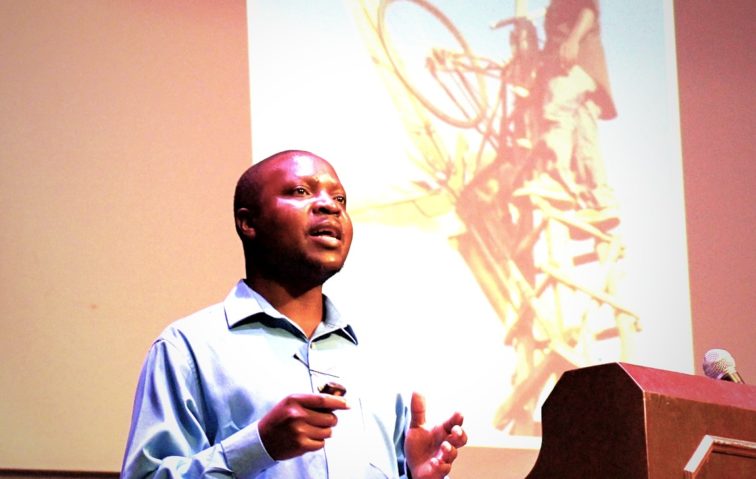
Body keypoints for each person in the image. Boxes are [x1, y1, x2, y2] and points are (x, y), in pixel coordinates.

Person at [120, 150, 468, 478]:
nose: (329, 206)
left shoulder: (377, 357)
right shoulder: (188, 349)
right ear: (248, 223)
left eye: (340, 199)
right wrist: (259, 446)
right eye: (301, 191)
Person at [524, 0, 619, 231]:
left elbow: (589, 9)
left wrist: (573, 40)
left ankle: (556, 181)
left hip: (574, 63)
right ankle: (599, 202)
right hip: (588, 71)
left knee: (557, 113)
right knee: (584, 139)